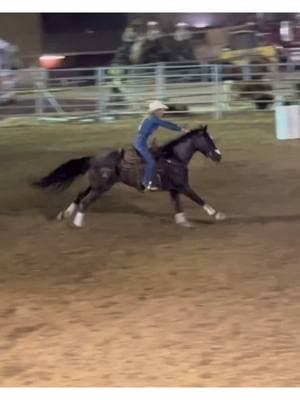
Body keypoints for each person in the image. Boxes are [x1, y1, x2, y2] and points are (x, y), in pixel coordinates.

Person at [133, 100, 189, 191]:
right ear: (156, 111)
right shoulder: (153, 119)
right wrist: (181, 129)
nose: (163, 112)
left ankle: (156, 178)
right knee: (151, 162)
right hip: (141, 144)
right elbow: (166, 124)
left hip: (143, 142)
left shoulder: (150, 118)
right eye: (162, 110)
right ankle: (146, 183)